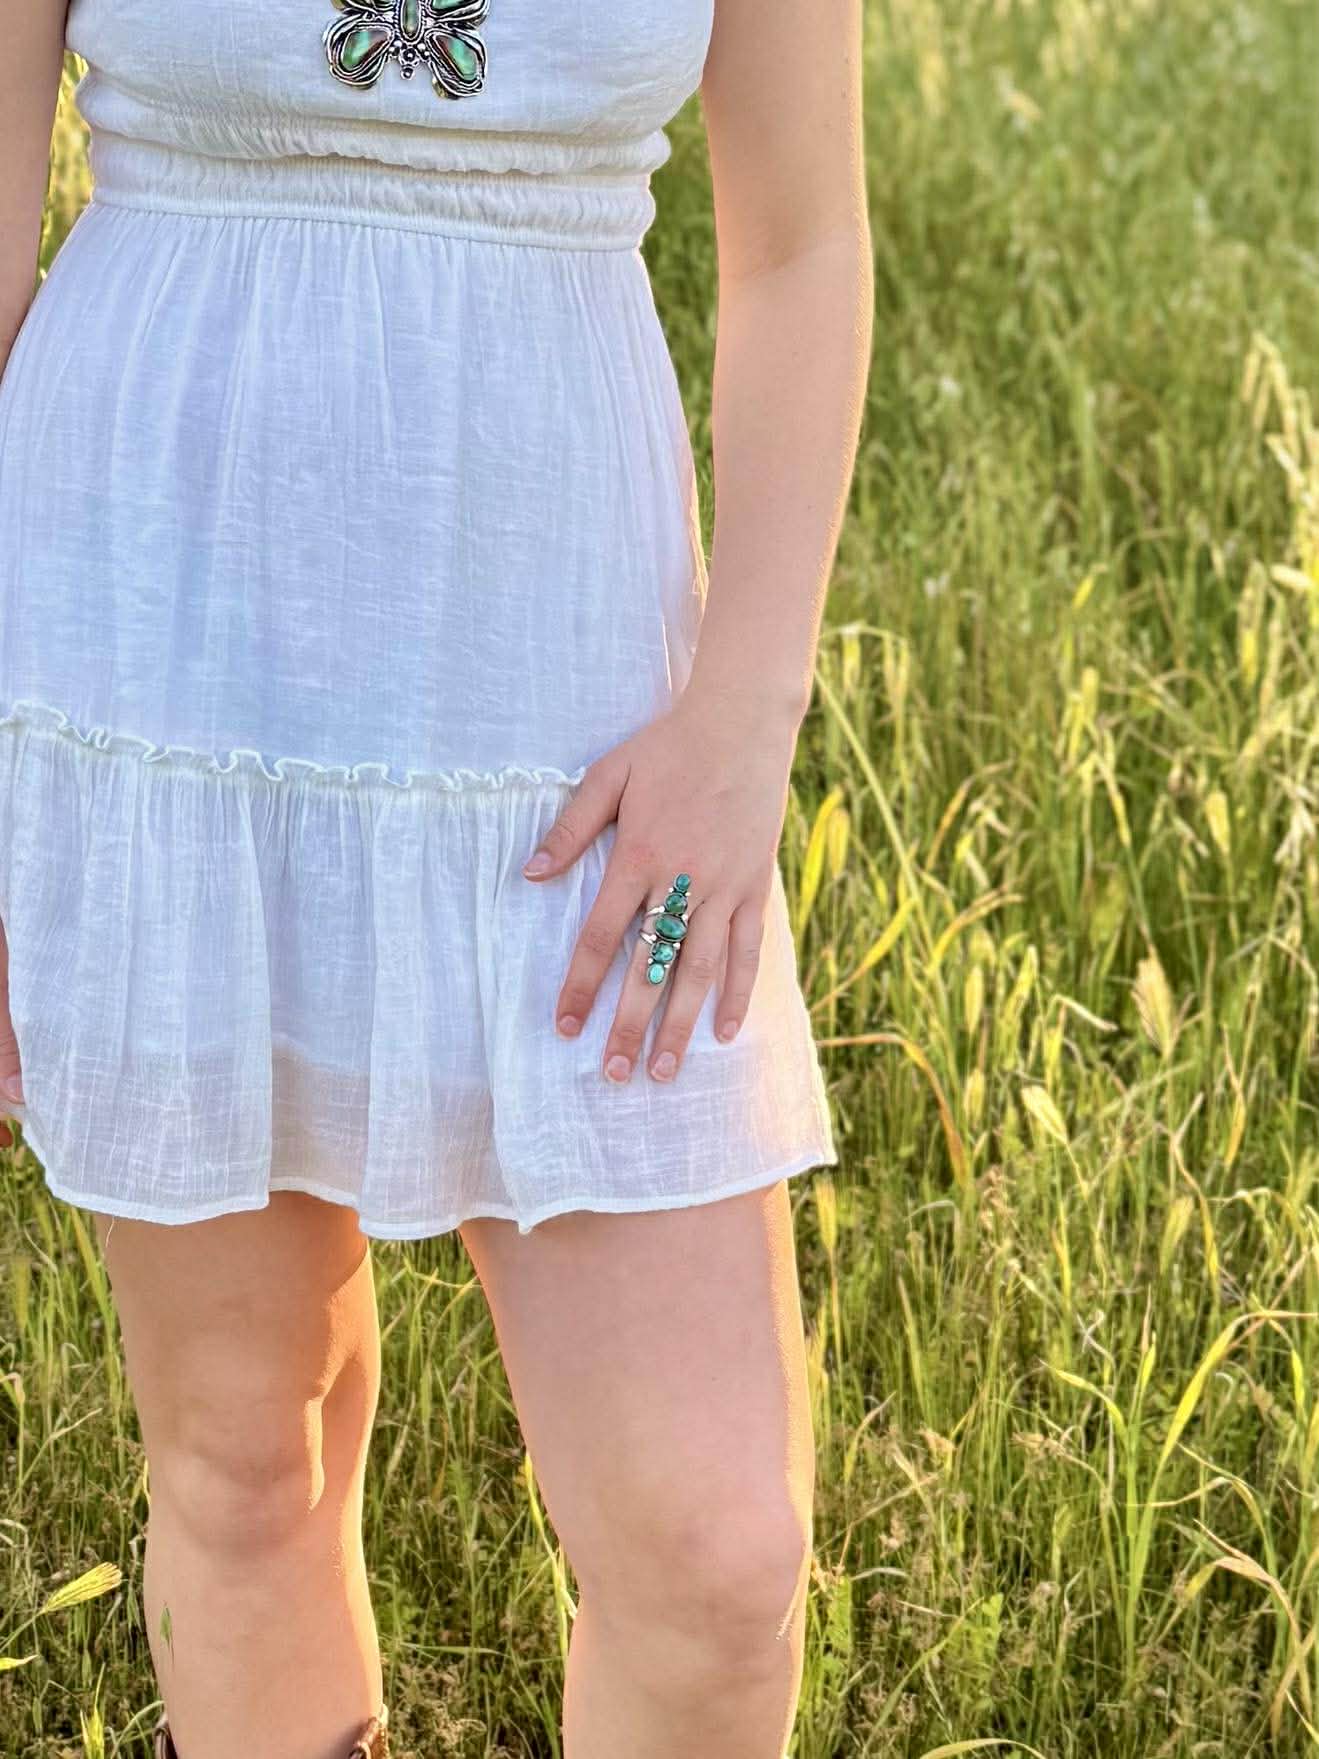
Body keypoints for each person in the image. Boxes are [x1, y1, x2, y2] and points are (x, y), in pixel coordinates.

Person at [0, 1, 873, 1753]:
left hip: (581, 726)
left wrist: (743, 720)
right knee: (252, 1453)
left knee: (714, 1557)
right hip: (152, 672)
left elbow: (805, 243)